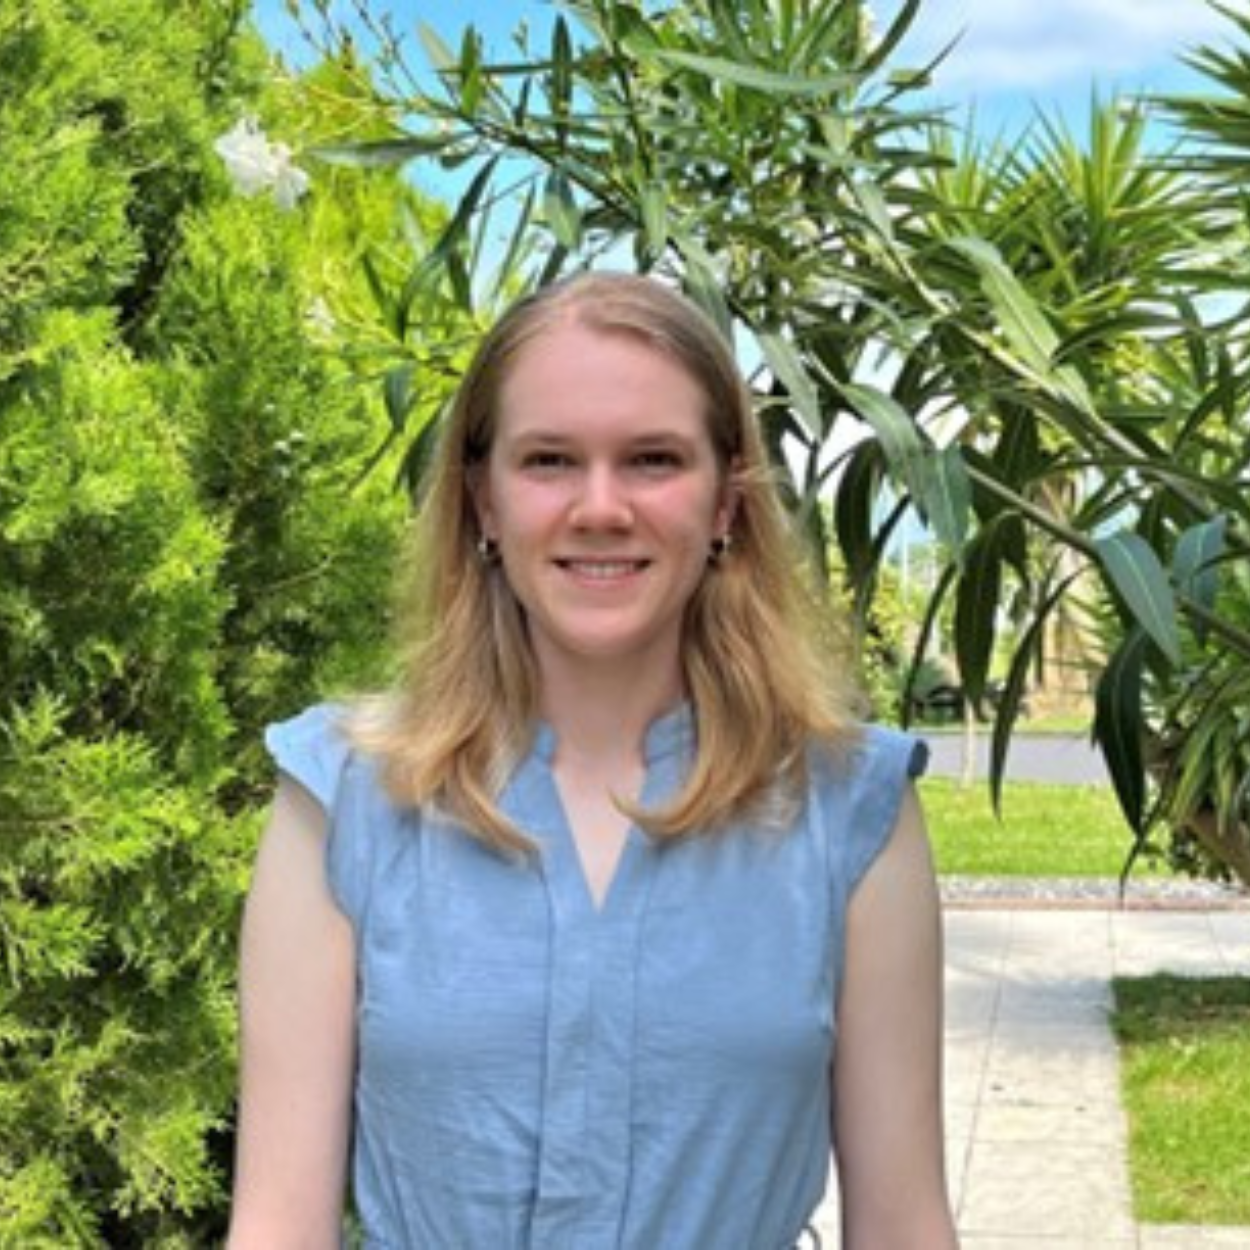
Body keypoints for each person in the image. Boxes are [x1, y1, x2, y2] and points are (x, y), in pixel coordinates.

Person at [227, 271, 958, 1249]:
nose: (600, 506)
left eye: (652, 458)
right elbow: (277, 1227)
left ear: (725, 500)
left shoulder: (849, 807)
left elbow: (903, 1225)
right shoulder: (344, 799)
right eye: (549, 460)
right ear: (483, 499)